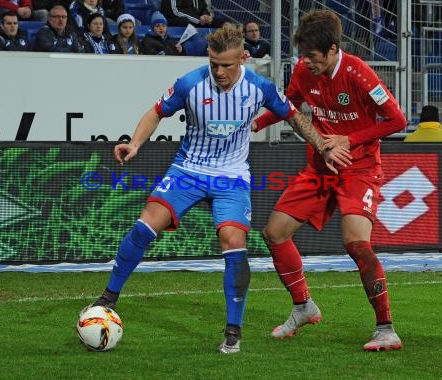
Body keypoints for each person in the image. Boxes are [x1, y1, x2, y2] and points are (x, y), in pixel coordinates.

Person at [87, 22, 350, 355]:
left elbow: (295, 117)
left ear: (242, 58)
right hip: (188, 170)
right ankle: (108, 296)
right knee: (146, 224)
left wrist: (323, 146)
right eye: (214, 64)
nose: (220, 71)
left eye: (226, 65)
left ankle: (233, 329)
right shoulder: (191, 84)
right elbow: (156, 112)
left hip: (231, 177)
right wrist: (135, 143)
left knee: (233, 241)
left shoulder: (259, 87)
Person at [252, 9, 406, 351]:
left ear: (333, 49)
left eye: (313, 56)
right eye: (303, 56)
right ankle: (303, 306)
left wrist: (349, 140)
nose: (307, 63)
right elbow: (286, 105)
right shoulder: (305, 73)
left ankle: (386, 329)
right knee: (274, 233)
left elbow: (397, 120)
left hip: (360, 168)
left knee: (356, 242)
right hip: (321, 166)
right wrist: (254, 125)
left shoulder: (360, 73)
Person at [160, 0, 224, 28]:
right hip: (173, 19)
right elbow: (175, 11)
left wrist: (206, 16)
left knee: (220, 22)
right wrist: (198, 20)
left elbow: (204, 8)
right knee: (184, 21)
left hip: (196, 21)